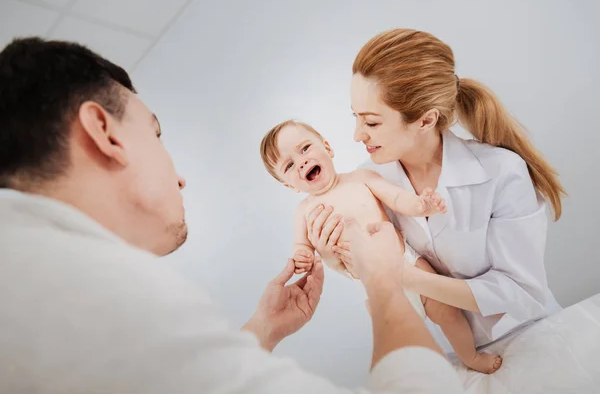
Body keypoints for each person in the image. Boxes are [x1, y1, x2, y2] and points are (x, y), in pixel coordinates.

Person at [0, 37, 464, 393]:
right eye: (156, 135)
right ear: (105, 132)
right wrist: (382, 284)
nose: (180, 179)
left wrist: (261, 330)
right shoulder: (104, 302)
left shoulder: (29, 278)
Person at [307, 28, 566, 352]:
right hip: (458, 357)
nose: (358, 135)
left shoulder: (501, 171)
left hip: (535, 340)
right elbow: (384, 267)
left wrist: (411, 279)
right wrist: (338, 262)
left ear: (426, 120)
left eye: (371, 122)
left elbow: (524, 293)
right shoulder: (369, 179)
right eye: (355, 117)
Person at [259, 119, 503, 374]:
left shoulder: (360, 178)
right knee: (401, 342)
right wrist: (303, 257)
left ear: (328, 147)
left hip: (406, 260)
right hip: (375, 284)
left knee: (449, 313)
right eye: (288, 165)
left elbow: (396, 197)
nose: (301, 162)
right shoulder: (304, 211)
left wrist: (421, 205)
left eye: (305, 148)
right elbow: (301, 245)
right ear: (288, 185)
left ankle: (471, 357)